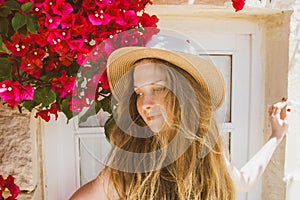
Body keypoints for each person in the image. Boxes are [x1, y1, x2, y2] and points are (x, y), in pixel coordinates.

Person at [70, 47, 289, 200]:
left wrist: (276, 136)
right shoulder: (131, 167)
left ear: (185, 94)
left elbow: (242, 181)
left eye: (157, 88)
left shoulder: (207, 150)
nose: (144, 104)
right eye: (138, 93)